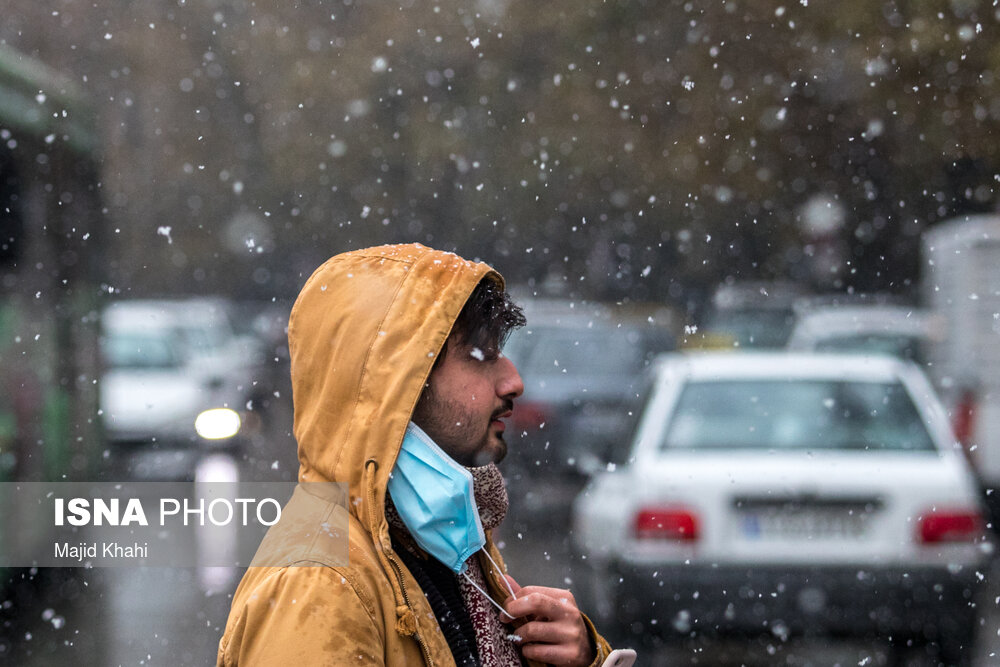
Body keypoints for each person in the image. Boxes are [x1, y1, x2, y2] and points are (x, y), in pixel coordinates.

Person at [218, 243, 614, 666]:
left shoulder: (443, 528)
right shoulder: (320, 583)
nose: (513, 380)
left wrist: (583, 659)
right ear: (394, 384)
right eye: (482, 356)